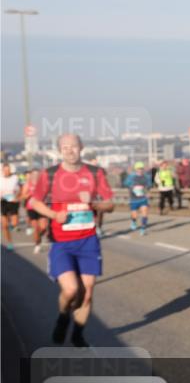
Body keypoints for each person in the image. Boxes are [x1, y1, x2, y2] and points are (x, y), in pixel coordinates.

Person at [28, 134, 114, 347]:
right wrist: (53, 214)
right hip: (62, 242)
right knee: (71, 290)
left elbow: (110, 204)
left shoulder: (95, 173)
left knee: (87, 292)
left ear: (81, 147)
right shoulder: (49, 174)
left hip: (88, 241)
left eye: (73, 146)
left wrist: (95, 204)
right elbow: (35, 202)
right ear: (59, 150)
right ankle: (63, 316)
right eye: (65, 147)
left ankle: (78, 334)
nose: (69, 150)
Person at [21, 169, 48, 254]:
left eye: (37, 174)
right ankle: (37, 244)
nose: (35, 176)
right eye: (34, 174)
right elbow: (23, 196)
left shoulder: (43, 183)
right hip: (31, 208)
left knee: (43, 227)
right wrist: (29, 194)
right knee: (36, 228)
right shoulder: (27, 184)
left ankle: (39, 238)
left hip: (42, 207)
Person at [124, 161, 151, 235]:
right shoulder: (131, 176)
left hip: (143, 198)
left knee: (145, 213)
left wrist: (148, 192)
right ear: (136, 169)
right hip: (134, 199)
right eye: (138, 168)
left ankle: (143, 228)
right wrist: (132, 186)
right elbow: (125, 183)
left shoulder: (146, 177)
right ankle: (133, 221)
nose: (140, 170)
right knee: (134, 215)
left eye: (141, 168)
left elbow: (148, 186)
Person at [1, 163, 21, 251]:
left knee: (14, 223)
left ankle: (12, 226)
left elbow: (20, 189)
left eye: (8, 170)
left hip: (13, 201)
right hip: (3, 202)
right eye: (5, 170)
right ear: (2, 171)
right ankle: (9, 242)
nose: (6, 171)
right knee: (4, 226)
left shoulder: (15, 178)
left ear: (10, 170)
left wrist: (17, 196)